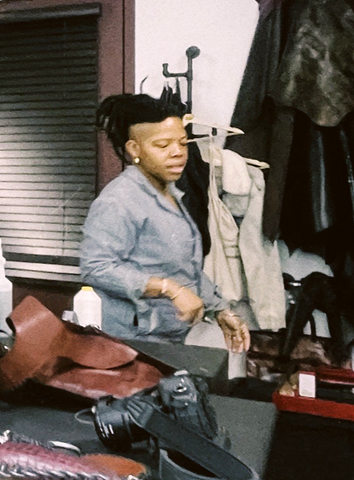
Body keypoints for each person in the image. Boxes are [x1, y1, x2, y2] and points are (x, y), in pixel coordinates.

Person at [79, 94, 250, 352]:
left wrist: (219, 309)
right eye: (162, 145)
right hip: (130, 342)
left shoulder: (170, 194)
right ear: (134, 149)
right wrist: (169, 289)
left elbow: (182, 268)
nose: (178, 153)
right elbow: (96, 267)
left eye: (183, 143)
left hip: (168, 339)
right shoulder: (119, 201)